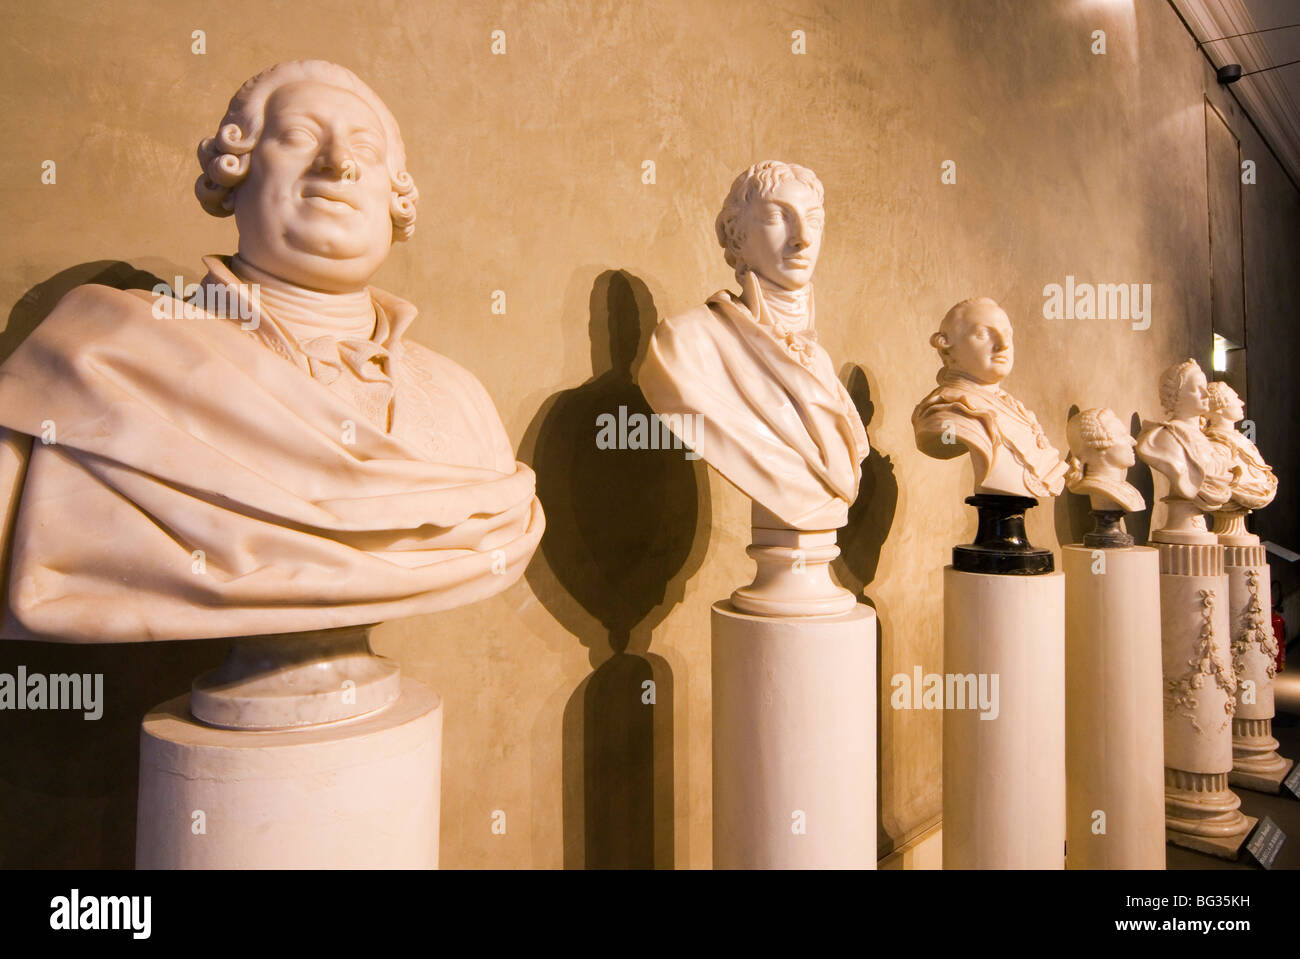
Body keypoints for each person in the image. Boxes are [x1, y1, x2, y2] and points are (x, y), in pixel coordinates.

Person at [0, 60, 543, 643]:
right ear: (237, 174)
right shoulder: (106, 353)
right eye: (299, 138)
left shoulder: (462, 402)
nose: (338, 164)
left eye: (365, 147)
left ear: (395, 196)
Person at [638, 160, 868, 531]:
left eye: (814, 220)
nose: (803, 238)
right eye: (779, 217)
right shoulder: (685, 346)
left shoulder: (820, 363)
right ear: (737, 234)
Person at [912, 297, 1066, 497]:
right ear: (949, 349)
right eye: (983, 334)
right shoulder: (947, 409)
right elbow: (947, 436)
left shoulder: (1016, 408)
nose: (1003, 345)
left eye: (1007, 335)